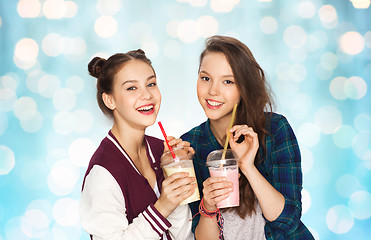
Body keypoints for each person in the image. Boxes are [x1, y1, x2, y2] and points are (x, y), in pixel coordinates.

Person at [181, 36, 314, 239]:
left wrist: (247, 167)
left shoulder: (274, 129)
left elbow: (287, 222)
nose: (213, 91)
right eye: (205, 78)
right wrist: (207, 206)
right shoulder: (191, 146)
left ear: (244, 88)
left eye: (228, 81)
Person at [79, 49, 195, 240]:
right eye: (132, 88)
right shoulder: (103, 172)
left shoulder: (161, 151)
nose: (147, 95)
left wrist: (173, 171)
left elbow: (184, 236)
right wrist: (163, 206)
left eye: (151, 84)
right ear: (110, 100)